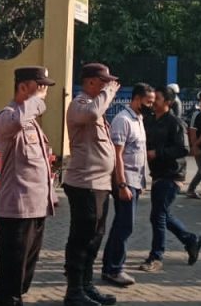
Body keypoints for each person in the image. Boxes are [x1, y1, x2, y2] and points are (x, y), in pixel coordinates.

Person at [0, 66, 56, 306]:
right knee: (11, 274)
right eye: (39, 87)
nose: (44, 93)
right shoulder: (7, 117)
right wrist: (37, 101)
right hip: (16, 211)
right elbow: (18, 119)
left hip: (37, 208)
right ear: (22, 87)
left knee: (25, 272)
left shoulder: (32, 124)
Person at [63, 63, 120, 306]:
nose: (108, 86)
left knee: (96, 237)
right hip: (83, 184)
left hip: (100, 185)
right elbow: (92, 115)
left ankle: (86, 286)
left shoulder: (97, 107)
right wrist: (108, 93)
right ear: (90, 82)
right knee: (81, 237)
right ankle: (74, 291)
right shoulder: (80, 104)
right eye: (103, 81)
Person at [139, 86, 201, 272]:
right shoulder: (150, 119)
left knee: (158, 215)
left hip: (172, 175)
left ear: (168, 102)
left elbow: (183, 149)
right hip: (157, 174)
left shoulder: (175, 123)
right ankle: (191, 239)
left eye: (157, 98)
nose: (153, 102)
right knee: (162, 215)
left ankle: (156, 256)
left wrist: (157, 153)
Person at [101, 83, 154, 287]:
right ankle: (115, 269)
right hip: (125, 181)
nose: (150, 106)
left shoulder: (138, 119)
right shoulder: (123, 120)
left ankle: (110, 267)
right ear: (137, 98)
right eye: (147, 102)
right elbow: (117, 155)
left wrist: (141, 181)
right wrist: (122, 184)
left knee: (121, 226)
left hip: (134, 181)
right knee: (125, 226)